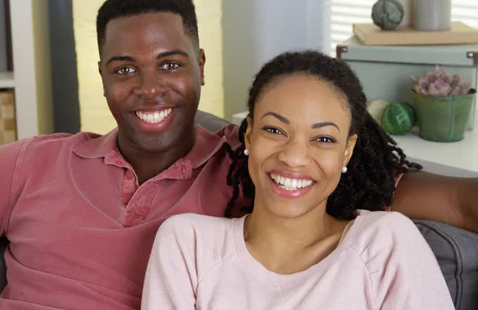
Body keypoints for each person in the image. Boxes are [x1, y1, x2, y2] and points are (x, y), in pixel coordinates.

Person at [0, 0, 474, 309]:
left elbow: (452, 201)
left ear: (200, 67)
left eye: (170, 63)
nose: (148, 88)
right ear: (104, 77)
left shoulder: (261, 169)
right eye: (124, 69)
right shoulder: (25, 165)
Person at [141, 50, 455, 309]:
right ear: (249, 135)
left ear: (347, 151)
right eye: (275, 130)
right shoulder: (188, 245)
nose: (293, 157)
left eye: (324, 139)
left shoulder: (383, 243)